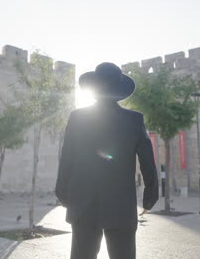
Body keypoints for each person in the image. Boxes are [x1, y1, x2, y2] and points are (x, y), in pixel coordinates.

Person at [55, 62, 159, 259]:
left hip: (83, 203)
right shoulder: (134, 119)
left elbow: (67, 157)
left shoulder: (77, 117)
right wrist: (150, 196)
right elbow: (147, 160)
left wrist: (63, 193)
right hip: (121, 205)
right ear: (119, 90)